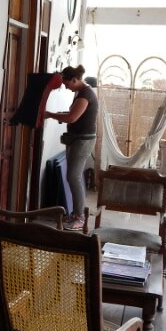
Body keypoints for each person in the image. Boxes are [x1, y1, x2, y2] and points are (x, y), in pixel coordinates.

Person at [45, 64, 98, 230]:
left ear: (74, 80)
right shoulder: (80, 93)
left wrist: (49, 114)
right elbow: (71, 115)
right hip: (77, 139)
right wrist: (56, 115)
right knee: (72, 177)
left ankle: (80, 217)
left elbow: (71, 118)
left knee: (74, 177)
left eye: (67, 84)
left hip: (83, 141)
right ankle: (76, 214)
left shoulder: (86, 94)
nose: (66, 88)